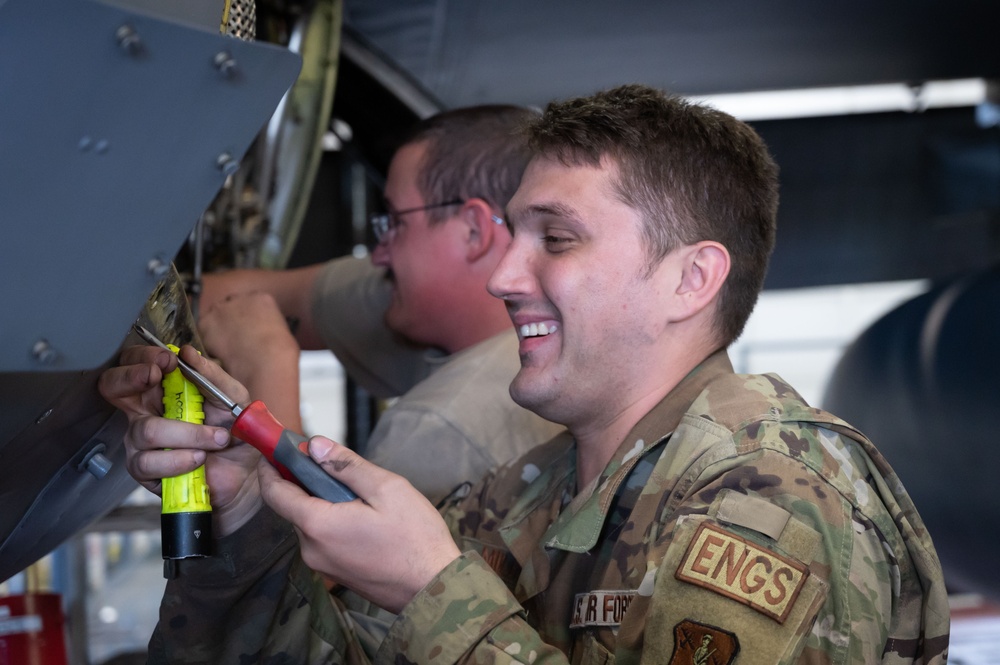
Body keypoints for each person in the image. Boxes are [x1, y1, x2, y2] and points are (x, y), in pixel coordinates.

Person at [100, 84, 949, 663]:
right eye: (510, 235)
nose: (505, 276)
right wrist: (246, 512)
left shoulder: (774, 502)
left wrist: (437, 591)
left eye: (558, 237)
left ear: (691, 280)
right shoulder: (527, 498)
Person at [196, 105, 564, 503]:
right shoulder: (543, 322)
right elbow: (270, 297)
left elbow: (323, 560)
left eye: (395, 221)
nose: (379, 254)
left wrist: (264, 371)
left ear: (474, 231)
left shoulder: (440, 430)